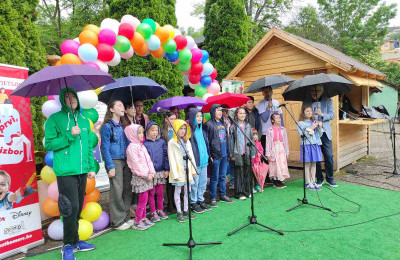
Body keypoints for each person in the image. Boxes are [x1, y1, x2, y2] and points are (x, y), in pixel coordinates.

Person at [44, 88, 96, 260]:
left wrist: (90, 167)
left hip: (82, 171)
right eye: (67, 96)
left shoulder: (83, 120)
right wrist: (69, 134)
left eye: (73, 96)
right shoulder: (54, 119)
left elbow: (88, 146)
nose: (71, 98)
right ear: (62, 99)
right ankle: (66, 245)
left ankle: (75, 241)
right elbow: (49, 144)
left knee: (78, 207)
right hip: (65, 171)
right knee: (69, 208)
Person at [100, 100, 132, 230]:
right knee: (117, 191)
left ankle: (125, 217)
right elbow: (105, 148)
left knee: (127, 189)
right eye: (119, 105)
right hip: (115, 161)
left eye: (123, 105)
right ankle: (117, 221)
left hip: (126, 160)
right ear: (111, 109)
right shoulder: (107, 126)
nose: (122, 107)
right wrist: (110, 166)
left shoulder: (124, 125)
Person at [303, 85, 338, 187]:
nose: (314, 92)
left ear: (321, 91)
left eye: (317, 90)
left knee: (329, 156)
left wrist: (322, 114)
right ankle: (319, 178)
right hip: (312, 133)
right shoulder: (306, 102)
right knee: (316, 157)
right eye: (312, 90)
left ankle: (330, 178)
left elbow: (332, 115)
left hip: (325, 132)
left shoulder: (328, 101)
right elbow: (303, 114)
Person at [125, 124, 156, 230]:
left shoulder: (141, 146)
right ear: (132, 134)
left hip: (147, 176)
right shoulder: (131, 148)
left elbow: (148, 160)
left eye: (142, 132)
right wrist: (146, 174)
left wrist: (152, 172)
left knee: (145, 198)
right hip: (141, 177)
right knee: (142, 200)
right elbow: (136, 163)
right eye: (139, 133)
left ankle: (142, 218)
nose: (141, 135)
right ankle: (137, 221)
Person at [205, 104, 234, 207]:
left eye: (221, 110)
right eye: (217, 110)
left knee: (223, 176)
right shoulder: (208, 124)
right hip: (215, 155)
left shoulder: (223, 124)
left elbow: (225, 139)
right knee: (215, 177)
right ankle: (212, 198)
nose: (220, 112)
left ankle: (223, 195)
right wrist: (210, 155)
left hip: (224, 153)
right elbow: (207, 141)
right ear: (213, 112)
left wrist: (228, 152)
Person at [168, 120, 197, 223]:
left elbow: (191, 156)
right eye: (180, 128)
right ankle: (179, 212)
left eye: (184, 128)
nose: (183, 131)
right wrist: (175, 174)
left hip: (187, 170)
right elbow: (171, 159)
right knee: (178, 190)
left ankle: (186, 210)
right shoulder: (172, 143)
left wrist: (193, 169)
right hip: (178, 171)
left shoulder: (187, 141)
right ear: (176, 128)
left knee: (187, 191)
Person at [257, 87, 284, 185]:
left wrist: (282, 130)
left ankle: (276, 176)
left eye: (269, 91)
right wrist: (268, 108)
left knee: (276, 155)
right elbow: (264, 119)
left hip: (276, 133)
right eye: (265, 92)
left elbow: (280, 117)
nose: (267, 93)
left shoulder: (277, 103)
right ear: (262, 93)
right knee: (267, 156)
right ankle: (267, 177)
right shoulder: (260, 104)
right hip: (265, 133)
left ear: (272, 92)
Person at [143, 122, 170, 222]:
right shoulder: (145, 144)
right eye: (152, 130)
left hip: (161, 171)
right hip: (151, 173)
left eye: (156, 131)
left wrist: (167, 169)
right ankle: (153, 211)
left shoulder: (162, 142)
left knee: (160, 192)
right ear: (147, 132)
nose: (154, 133)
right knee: (151, 192)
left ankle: (160, 209)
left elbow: (166, 155)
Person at [188, 108, 211, 213]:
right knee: (195, 183)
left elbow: (206, 144)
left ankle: (201, 200)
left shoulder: (203, 130)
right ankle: (193, 202)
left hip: (204, 161)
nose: (199, 118)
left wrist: (208, 155)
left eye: (201, 116)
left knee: (203, 182)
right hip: (195, 162)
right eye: (197, 116)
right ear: (192, 117)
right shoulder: (190, 132)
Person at [229, 107, 255, 200]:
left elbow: (252, 139)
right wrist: (232, 154)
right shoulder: (233, 127)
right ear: (236, 115)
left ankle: (247, 191)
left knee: (247, 172)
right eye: (240, 113)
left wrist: (253, 153)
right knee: (239, 173)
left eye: (244, 113)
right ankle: (239, 193)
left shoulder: (248, 126)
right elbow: (231, 141)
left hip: (247, 152)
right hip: (238, 153)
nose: (242, 115)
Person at [297, 105, 323, 190]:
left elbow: (319, 135)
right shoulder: (301, 123)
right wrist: (311, 128)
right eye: (307, 111)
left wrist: (319, 127)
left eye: (310, 111)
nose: (309, 112)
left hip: (315, 144)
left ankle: (313, 181)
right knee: (307, 164)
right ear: (303, 113)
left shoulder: (313, 122)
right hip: (306, 145)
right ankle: (308, 182)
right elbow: (302, 135)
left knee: (314, 163)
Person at [265, 113, 290, 189]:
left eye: (279, 118)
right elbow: (268, 142)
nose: (279, 119)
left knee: (281, 165)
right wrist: (268, 154)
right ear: (272, 120)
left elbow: (285, 141)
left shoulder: (283, 129)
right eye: (277, 118)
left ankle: (280, 179)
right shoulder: (269, 130)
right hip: (274, 149)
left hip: (281, 149)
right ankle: (275, 180)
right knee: (275, 165)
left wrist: (287, 151)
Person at [244, 96, 262, 192]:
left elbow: (259, 126)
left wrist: (257, 137)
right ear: (245, 103)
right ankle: (250, 185)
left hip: (255, 138)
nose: (250, 104)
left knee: (256, 167)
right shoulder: (244, 113)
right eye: (248, 102)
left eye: (252, 102)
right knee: (249, 166)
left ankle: (257, 184)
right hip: (246, 140)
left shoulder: (256, 112)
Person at [161, 111, 177, 213]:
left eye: (175, 118)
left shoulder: (176, 130)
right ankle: (170, 205)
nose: (173, 121)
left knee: (176, 184)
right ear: (166, 120)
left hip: (176, 160)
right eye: (171, 119)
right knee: (169, 185)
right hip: (168, 161)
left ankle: (176, 204)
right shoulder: (163, 133)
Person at [222, 107, 235, 190]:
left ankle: (232, 181)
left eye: (227, 110)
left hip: (231, 144)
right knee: (224, 165)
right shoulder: (220, 122)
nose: (226, 112)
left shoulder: (231, 120)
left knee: (232, 163)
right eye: (224, 110)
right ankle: (223, 184)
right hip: (224, 144)